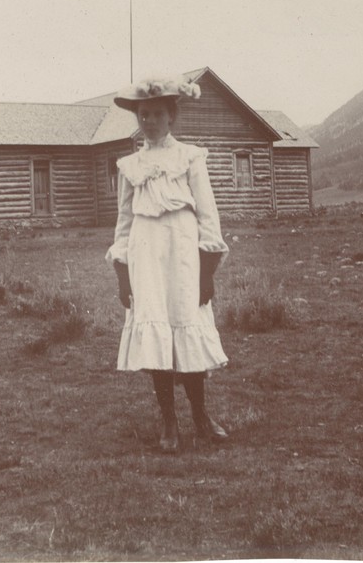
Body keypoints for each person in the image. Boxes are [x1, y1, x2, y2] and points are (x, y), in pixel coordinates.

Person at [106, 76, 230, 453]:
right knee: (157, 334)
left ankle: (200, 415)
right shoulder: (130, 166)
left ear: (171, 116)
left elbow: (208, 216)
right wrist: (123, 276)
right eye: (144, 114)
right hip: (146, 256)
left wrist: (206, 272)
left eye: (158, 114)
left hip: (183, 254)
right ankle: (168, 420)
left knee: (186, 328)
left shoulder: (190, 157)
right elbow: (124, 223)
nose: (150, 121)